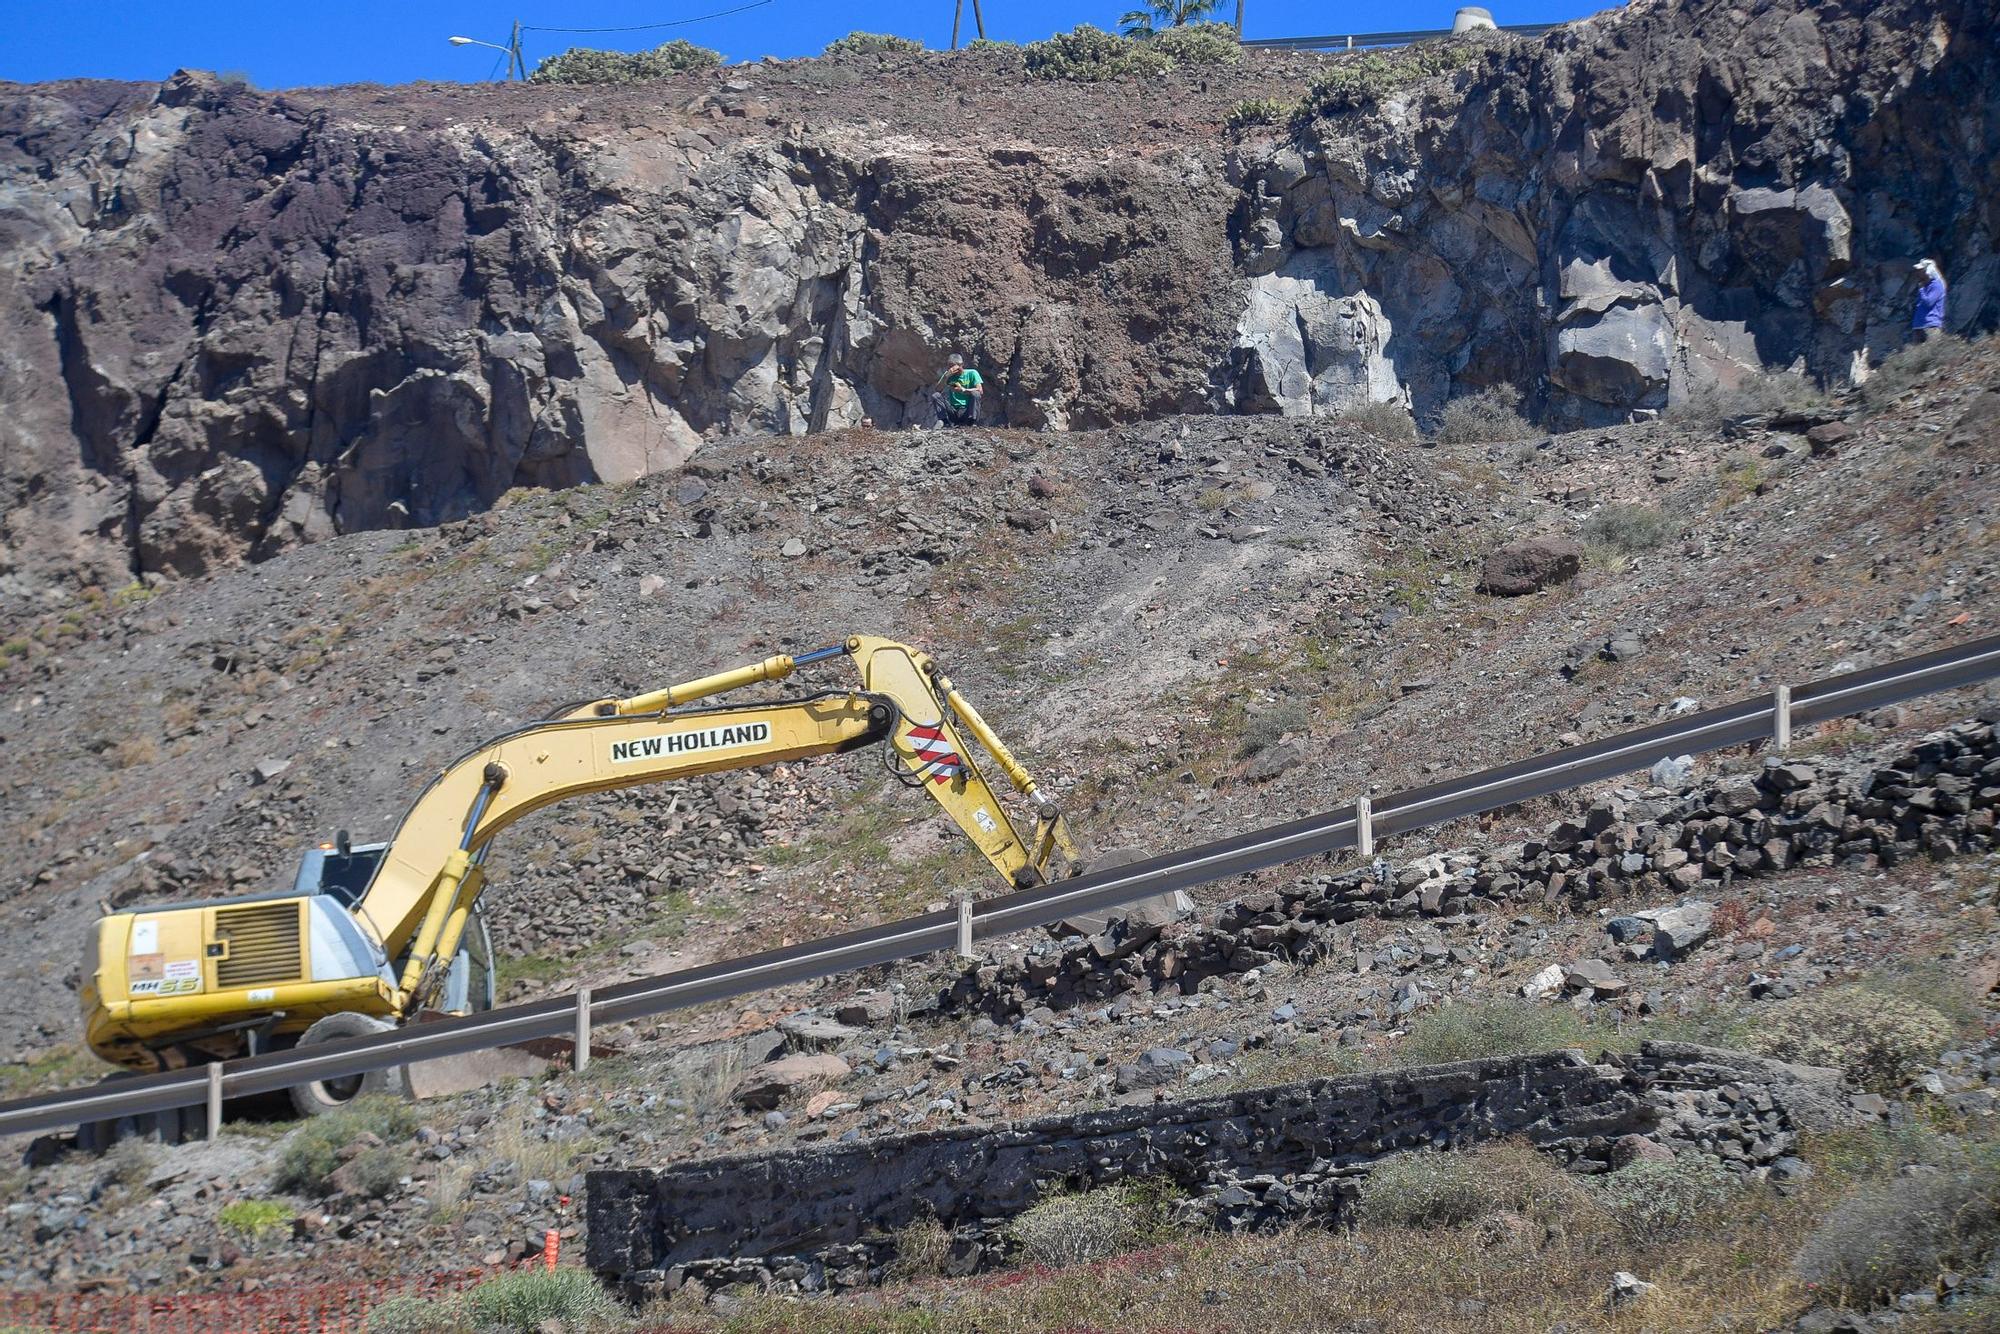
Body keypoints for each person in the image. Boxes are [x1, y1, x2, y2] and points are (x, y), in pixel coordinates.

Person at [930, 353, 983, 427]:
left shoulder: (972, 373)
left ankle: (971, 421)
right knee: (936, 395)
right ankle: (944, 421)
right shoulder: (948, 375)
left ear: (961, 365)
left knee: (976, 394)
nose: (952, 369)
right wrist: (945, 377)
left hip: (966, 409)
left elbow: (980, 390)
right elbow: (937, 390)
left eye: (954, 366)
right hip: (954, 410)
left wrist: (963, 390)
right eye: (950, 366)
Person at [1911, 258, 1947, 343]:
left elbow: (1929, 302)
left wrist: (1921, 289)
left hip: (1931, 326)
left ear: (1928, 271)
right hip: (1919, 326)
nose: (1917, 273)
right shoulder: (1924, 286)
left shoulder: (1937, 286)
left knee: (1931, 353)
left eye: (1920, 270)